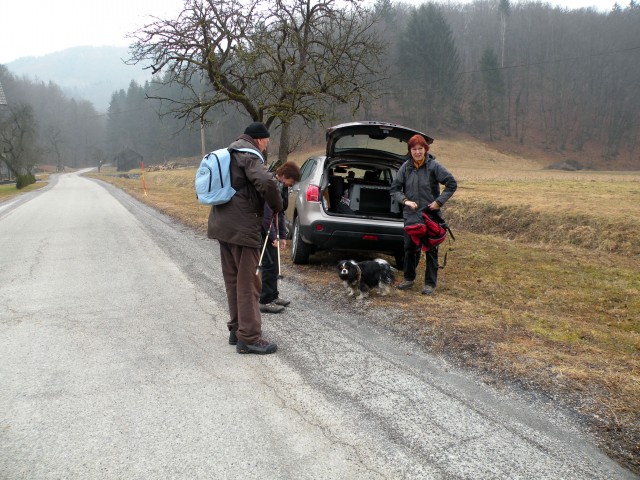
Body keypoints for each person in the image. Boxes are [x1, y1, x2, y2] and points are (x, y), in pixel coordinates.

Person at [207, 121, 283, 354]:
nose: (265, 147)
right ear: (259, 139)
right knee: (248, 283)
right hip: (242, 229)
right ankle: (249, 337)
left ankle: (236, 329)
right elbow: (267, 181)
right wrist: (278, 205)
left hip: (222, 226)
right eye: (266, 143)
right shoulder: (249, 155)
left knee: (233, 280)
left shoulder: (229, 152)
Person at [390, 134, 457, 295]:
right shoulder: (405, 167)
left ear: (426, 149)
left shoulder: (434, 166)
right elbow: (395, 189)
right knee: (409, 249)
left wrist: (438, 202)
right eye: (414, 149)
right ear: (410, 151)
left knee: (431, 250)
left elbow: (451, 184)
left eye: (420, 149)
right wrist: (405, 201)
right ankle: (409, 279)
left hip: (430, 216)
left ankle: (429, 284)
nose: (417, 152)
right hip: (411, 216)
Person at [259, 161, 302, 313]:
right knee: (268, 264)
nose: (291, 186)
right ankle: (265, 300)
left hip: (272, 230)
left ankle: (273, 296)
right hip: (263, 231)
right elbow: (267, 216)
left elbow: (280, 213)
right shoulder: (272, 186)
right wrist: (272, 238)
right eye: (291, 182)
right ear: (284, 176)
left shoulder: (282, 188)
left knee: (275, 264)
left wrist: (283, 236)